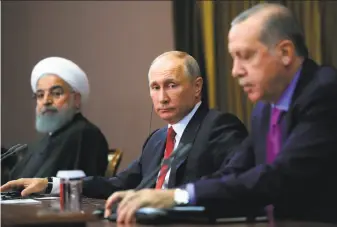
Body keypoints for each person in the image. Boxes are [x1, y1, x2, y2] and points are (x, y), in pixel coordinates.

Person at [101, 3, 337, 224]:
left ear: (285, 52)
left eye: (245, 56)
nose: (235, 71)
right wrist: (171, 197)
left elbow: (279, 177)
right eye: (233, 59)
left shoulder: (324, 92)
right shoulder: (264, 109)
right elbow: (234, 171)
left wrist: (178, 197)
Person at [1, 51, 248, 200]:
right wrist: (51, 184)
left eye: (171, 85)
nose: (162, 97)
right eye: (155, 87)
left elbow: (236, 183)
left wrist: (171, 199)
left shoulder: (218, 127)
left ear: (196, 87)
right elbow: (117, 184)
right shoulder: (158, 139)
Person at [7, 57, 109, 180]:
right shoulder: (46, 140)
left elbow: (79, 189)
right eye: (40, 95)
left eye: (56, 93)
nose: (46, 101)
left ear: (76, 99)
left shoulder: (84, 134)